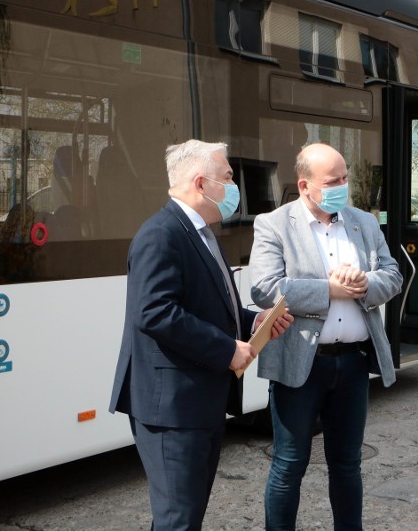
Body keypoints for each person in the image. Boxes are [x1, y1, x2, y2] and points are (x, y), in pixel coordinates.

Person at [108, 140, 293, 531]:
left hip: (197, 402)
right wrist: (227, 350)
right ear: (201, 183)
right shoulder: (160, 234)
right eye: (227, 177)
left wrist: (251, 323)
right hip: (173, 408)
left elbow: (205, 307)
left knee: (186, 517)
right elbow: (154, 312)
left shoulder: (201, 233)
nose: (233, 186)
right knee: (178, 519)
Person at [248, 143, 402, 531]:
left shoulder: (363, 223)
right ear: (305, 185)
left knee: (348, 465)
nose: (342, 187)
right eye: (333, 181)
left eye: (345, 178)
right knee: (289, 464)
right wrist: (328, 289)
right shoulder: (274, 224)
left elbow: (394, 275)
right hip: (301, 362)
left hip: (352, 364)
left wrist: (365, 282)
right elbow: (265, 288)